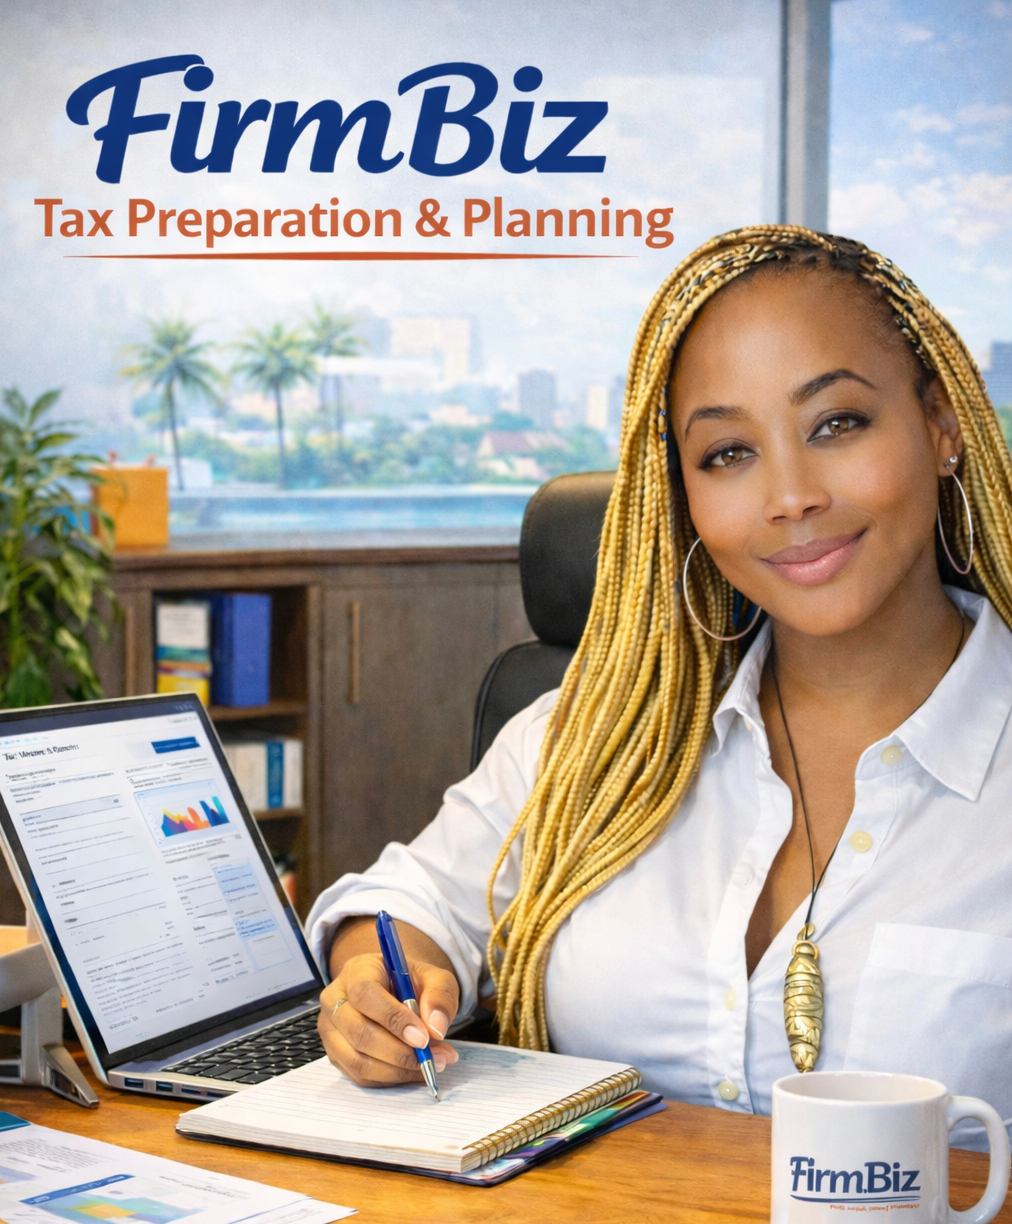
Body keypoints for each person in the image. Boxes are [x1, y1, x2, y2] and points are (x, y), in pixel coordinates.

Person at [306, 225, 1012, 1148]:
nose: (789, 496)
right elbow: (403, 904)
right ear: (683, 494)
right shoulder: (596, 737)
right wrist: (378, 987)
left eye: (837, 424)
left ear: (943, 427)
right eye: (728, 453)